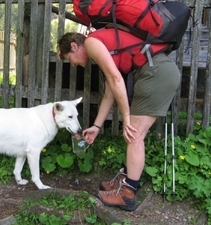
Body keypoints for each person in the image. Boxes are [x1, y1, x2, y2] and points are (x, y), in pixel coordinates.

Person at [57, 28, 181, 211]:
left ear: (75, 46)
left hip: (155, 74)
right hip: (154, 72)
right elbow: (109, 94)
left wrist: (127, 117)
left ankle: (127, 194)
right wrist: (96, 127)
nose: (73, 64)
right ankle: (125, 181)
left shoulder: (92, 43)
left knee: (134, 135)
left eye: (70, 59)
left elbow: (116, 79)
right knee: (133, 135)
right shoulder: (101, 48)